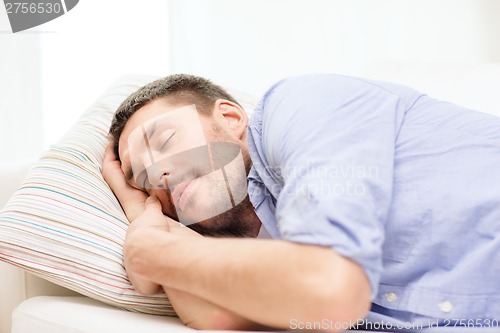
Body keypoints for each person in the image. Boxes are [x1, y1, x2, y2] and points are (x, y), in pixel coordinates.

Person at [102, 73, 500, 331]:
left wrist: (150, 255)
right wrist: (141, 214)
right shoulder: (261, 248)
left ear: (230, 118)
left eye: (166, 141)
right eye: (142, 178)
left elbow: (329, 287)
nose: (161, 175)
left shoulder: (300, 105)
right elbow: (220, 319)